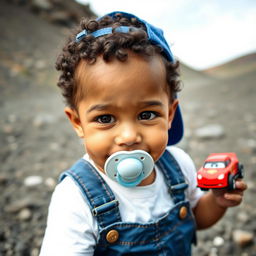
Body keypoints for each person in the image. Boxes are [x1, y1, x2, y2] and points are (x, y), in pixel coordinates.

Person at [40, 11, 247, 255]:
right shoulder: (74, 199)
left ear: (169, 114)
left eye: (147, 115)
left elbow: (196, 217)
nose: (128, 136)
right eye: (105, 119)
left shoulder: (179, 165)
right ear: (77, 122)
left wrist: (216, 201)